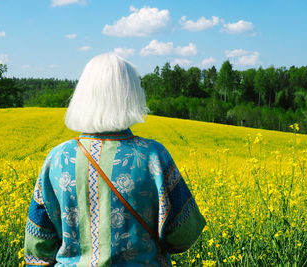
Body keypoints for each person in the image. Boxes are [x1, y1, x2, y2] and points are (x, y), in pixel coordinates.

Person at [24, 53, 206, 266]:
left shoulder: (57, 158)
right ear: (132, 96)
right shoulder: (153, 156)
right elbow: (182, 236)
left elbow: (38, 244)